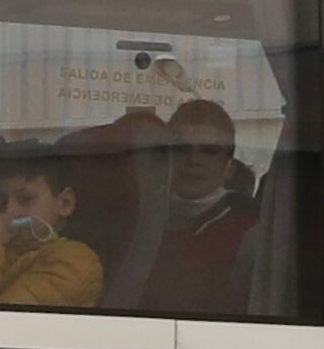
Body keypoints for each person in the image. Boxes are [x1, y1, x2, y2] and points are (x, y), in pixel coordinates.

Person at [111, 98, 261, 313]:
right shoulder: (137, 221)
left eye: (209, 151)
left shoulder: (250, 233)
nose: (194, 160)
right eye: (182, 149)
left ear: (229, 166)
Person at [0, 154, 106, 309]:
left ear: (64, 203)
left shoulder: (75, 261)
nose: (9, 212)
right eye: (1, 202)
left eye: (25, 199)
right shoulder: (0, 253)